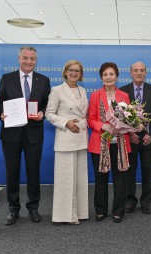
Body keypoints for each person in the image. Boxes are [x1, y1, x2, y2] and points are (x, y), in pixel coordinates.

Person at [0, 46, 51, 225]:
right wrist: (2, 113)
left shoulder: (43, 80)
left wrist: (42, 112)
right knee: (12, 172)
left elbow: (47, 104)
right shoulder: (7, 78)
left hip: (34, 133)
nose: (29, 61)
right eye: (25, 58)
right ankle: (13, 209)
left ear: (36, 60)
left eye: (32, 58)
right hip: (11, 133)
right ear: (19, 58)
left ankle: (33, 208)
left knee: (33, 172)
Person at [45, 60, 89, 224]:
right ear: (65, 72)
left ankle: (80, 213)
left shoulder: (83, 90)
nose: (74, 73)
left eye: (77, 70)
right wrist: (66, 123)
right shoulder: (57, 90)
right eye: (71, 70)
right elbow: (49, 114)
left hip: (81, 139)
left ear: (81, 73)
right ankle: (65, 216)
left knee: (80, 179)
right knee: (66, 179)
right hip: (66, 139)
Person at [87, 62, 131, 223]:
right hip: (100, 143)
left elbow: (129, 118)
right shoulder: (94, 96)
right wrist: (103, 125)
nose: (108, 77)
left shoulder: (124, 96)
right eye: (105, 75)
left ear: (117, 76)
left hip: (120, 143)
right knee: (100, 178)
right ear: (101, 77)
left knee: (120, 179)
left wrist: (124, 126)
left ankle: (119, 210)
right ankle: (100, 210)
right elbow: (90, 120)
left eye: (111, 74)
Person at [119, 61, 151, 214]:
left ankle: (146, 202)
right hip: (130, 138)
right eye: (136, 70)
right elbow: (120, 116)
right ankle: (130, 200)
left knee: (147, 171)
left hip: (148, 139)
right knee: (130, 171)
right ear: (130, 72)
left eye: (141, 70)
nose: (138, 73)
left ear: (145, 72)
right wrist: (130, 133)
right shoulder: (123, 91)